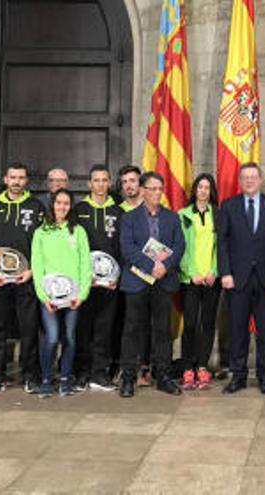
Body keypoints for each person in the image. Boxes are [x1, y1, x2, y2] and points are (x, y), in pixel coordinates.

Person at [218, 163, 265, 396]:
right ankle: (237, 375)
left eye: (253, 177)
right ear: (240, 180)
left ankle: (264, 376)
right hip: (237, 279)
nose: (249, 181)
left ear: (261, 180)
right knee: (237, 329)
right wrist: (225, 273)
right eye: (245, 177)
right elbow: (223, 243)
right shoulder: (228, 206)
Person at [117, 172, 185, 398]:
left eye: (160, 189)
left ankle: (163, 376)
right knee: (132, 330)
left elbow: (179, 246)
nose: (157, 193)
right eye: (152, 189)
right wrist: (150, 265)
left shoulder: (172, 217)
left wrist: (164, 266)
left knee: (163, 331)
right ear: (143, 191)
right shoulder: (129, 218)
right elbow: (127, 248)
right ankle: (128, 377)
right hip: (137, 281)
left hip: (163, 282)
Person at [0, 163, 44, 395]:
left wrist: (32, 271)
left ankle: (30, 376)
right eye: (13, 177)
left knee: (29, 329)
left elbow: (41, 245)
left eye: (21, 178)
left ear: (26, 181)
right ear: (5, 179)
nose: (16, 182)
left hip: (25, 279)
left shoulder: (36, 207)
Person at [31, 189, 92, 398]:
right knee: (51, 338)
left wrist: (81, 295)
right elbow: (37, 266)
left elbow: (86, 264)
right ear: (52, 204)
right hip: (49, 298)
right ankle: (47, 379)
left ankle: (65, 378)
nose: (62, 207)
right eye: (59, 203)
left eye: (66, 204)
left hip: (73, 297)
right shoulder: (41, 232)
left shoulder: (78, 231)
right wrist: (43, 297)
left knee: (70, 338)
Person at [72, 164, 125, 392]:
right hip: (85, 282)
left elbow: (124, 246)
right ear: (89, 183)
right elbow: (71, 245)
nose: (100, 184)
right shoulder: (79, 209)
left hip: (109, 283)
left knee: (104, 328)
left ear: (109, 182)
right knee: (83, 328)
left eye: (104, 180)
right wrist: (81, 276)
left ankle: (99, 373)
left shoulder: (118, 211)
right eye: (96, 180)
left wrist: (118, 275)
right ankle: (81, 373)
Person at [179, 173, 220, 390]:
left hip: (211, 280)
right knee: (191, 324)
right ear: (194, 190)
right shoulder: (183, 215)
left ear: (211, 191)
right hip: (190, 280)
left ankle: (203, 367)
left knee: (208, 323)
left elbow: (221, 247)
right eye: (200, 187)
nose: (203, 191)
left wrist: (215, 271)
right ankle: (188, 367)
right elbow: (181, 248)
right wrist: (191, 272)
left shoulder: (218, 215)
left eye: (207, 187)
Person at [117, 165, 150, 386]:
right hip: (122, 276)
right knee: (124, 324)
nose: (129, 185)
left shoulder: (151, 209)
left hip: (147, 276)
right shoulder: (117, 211)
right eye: (125, 182)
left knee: (146, 324)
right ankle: (123, 367)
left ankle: (144, 367)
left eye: (132, 181)